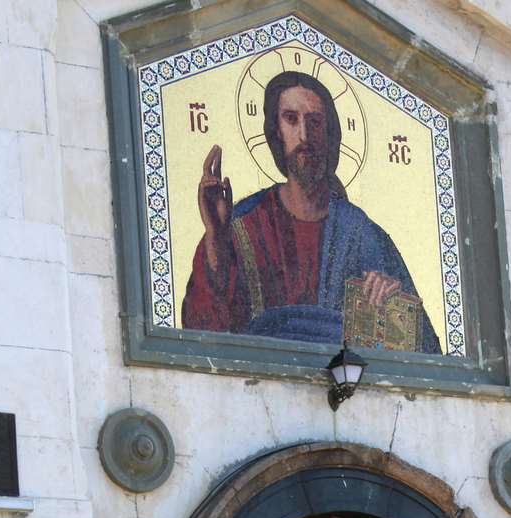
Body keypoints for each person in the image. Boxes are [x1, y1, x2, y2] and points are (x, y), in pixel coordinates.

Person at [182, 70, 441, 352]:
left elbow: (426, 353)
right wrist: (214, 236)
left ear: (329, 134)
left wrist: (394, 303)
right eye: (291, 119)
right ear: (276, 131)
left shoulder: (363, 233)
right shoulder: (245, 223)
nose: (304, 135)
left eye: (315, 122)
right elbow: (201, 332)